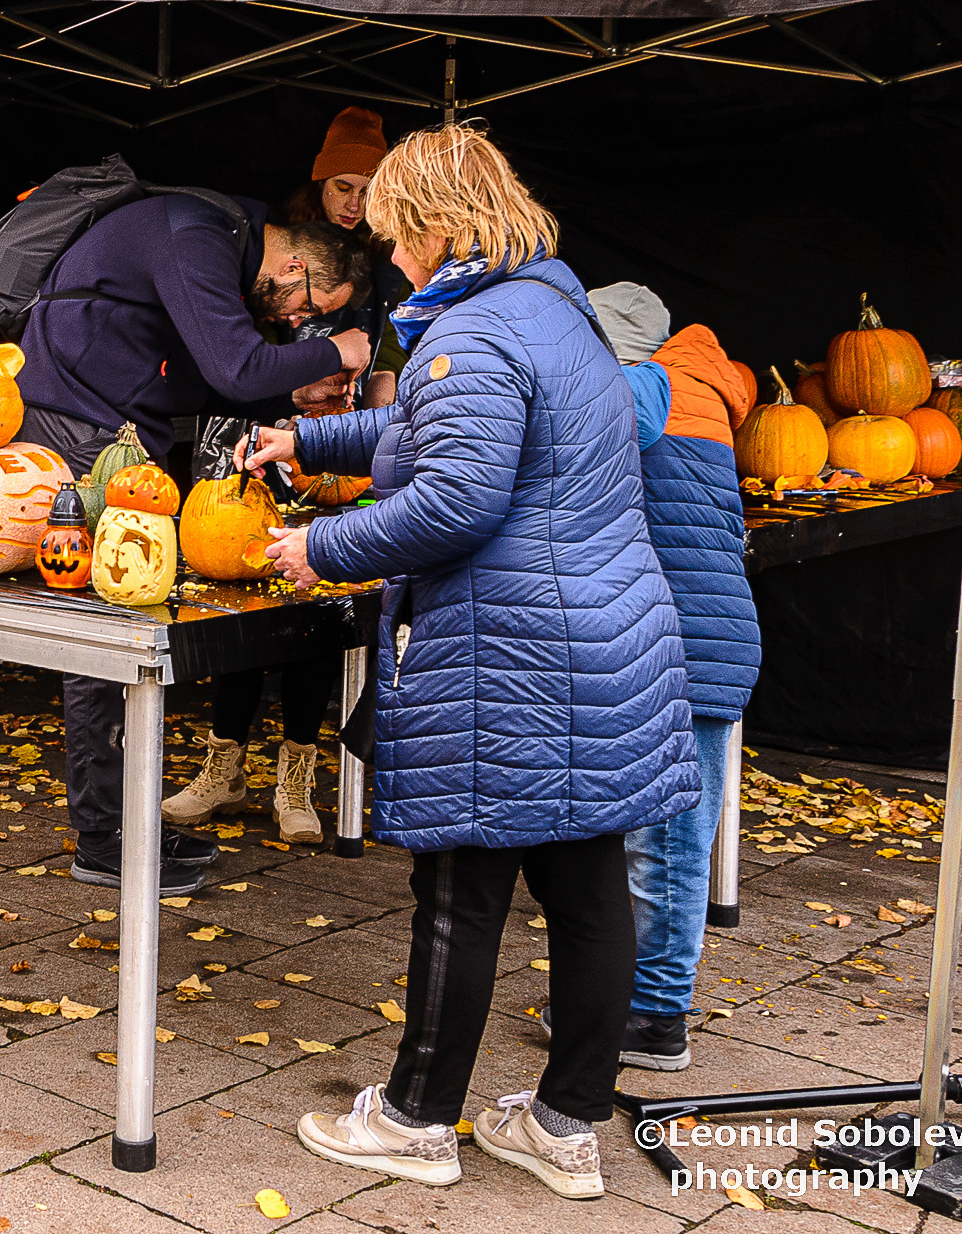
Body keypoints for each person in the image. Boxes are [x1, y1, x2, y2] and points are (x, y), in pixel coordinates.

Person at [248, 124, 699, 1198]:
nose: (388, 255)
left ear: (441, 228)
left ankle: (411, 1120)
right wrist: (307, 442)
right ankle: (563, 1124)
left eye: (398, 234)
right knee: (588, 892)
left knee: (458, 889)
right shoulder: (554, 312)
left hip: (509, 655)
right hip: (604, 641)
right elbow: (432, 431)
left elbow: (455, 497)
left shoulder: (469, 337)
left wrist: (319, 547)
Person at [13, 187, 371, 894]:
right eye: (309, 306)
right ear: (294, 260)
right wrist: (341, 346)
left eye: (316, 321)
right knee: (104, 631)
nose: (299, 322)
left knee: (131, 621)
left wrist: (297, 399)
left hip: (113, 426)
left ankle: (124, 816)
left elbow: (211, 378)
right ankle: (104, 837)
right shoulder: (195, 238)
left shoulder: (219, 248)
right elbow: (237, 365)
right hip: (81, 431)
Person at [565, 282, 760, 1071]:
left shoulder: (648, 395)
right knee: (658, 834)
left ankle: (655, 1018)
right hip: (696, 637)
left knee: (670, 842)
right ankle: (634, 999)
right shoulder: (698, 396)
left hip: (684, 644)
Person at [165, 221, 370, 846]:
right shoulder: (252, 296)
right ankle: (221, 770)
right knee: (236, 619)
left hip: (325, 479)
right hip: (245, 477)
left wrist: (353, 393)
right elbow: (231, 371)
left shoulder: (361, 303)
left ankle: (296, 779)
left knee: (309, 630)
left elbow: (375, 379)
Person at [282, 106, 414, 378]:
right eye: (343, 188)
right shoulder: (281, 243)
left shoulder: (391, 252)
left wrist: (382, 387)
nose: (354, 205)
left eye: (367, 192)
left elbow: (393, 339)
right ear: (321, 184)